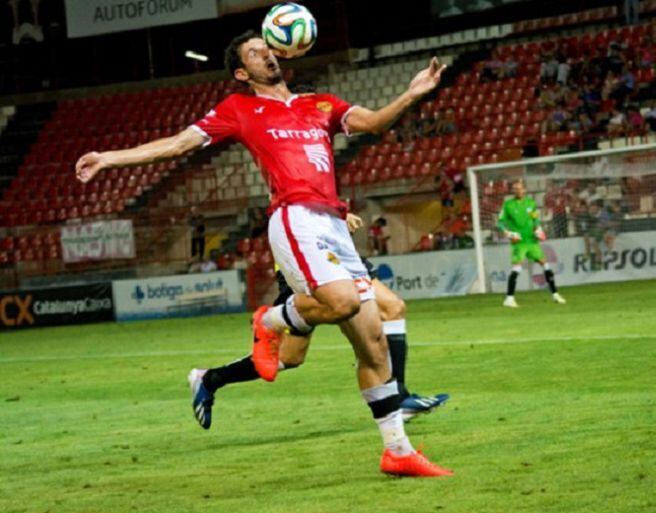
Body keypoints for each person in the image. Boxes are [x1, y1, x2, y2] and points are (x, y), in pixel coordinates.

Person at [75, 31, 451, 477]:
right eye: (254, 52)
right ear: (241, 72)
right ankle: (269, 320)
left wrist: (410, 94)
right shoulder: (239, 109)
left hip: (334, 223)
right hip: (295, 219)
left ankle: (398, 451)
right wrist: (109, 158)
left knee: (373, 343)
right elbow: (177, 144)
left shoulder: (319, 104)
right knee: (345, 302)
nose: (266, 54)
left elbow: (374, 123)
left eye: (268, 48)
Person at [188, 213, 450, 429]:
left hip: (335, 248)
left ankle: (399, 397)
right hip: (304, 258)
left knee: (392, 307)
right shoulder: (281, 156)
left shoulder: (317, 154)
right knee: (290, 357)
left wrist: (335, 214)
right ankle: (211, 378)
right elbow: (285, 200)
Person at [497, 180, 566, 308]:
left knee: (545, 264)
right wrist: (507, 232)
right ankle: (509, 298)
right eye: (515, 189)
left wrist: (538, 230)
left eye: (519, 188)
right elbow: (500, 222)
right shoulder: (508, 205)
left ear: (524, 190)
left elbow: (535, 220)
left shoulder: (531, 203)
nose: (517, 191)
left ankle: (555, 294)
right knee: (517, 268)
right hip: (519, 242)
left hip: (532, 241)